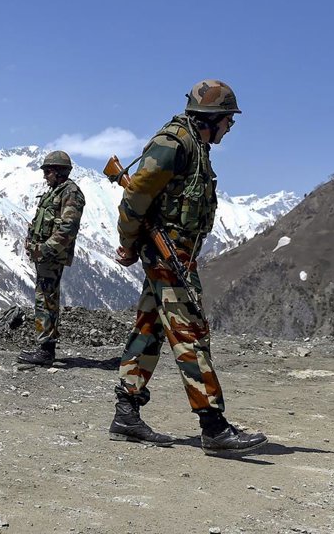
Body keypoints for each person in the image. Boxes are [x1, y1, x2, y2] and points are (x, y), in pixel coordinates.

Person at [108, 80, 268, 456]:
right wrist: (128, 244)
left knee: (148, 329)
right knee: (190, 334)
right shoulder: (175, 144)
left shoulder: (195, 146)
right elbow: (134, 196)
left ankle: (126, 413)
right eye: (228, 120)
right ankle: (213, 427)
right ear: (211, 118)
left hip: (173, 255)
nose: (230, 127)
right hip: (166, 256)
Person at [16, 150, 86, 368]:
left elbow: (68, 228)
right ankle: (45, 347)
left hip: (51, 256)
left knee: (46, 300)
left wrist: (45, 249)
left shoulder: (70, 193)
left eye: (48, 171)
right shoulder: (55, 191)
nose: (45, 175)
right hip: (45, 255)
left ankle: (46, 350)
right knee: (44, 299)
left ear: (59, 172)